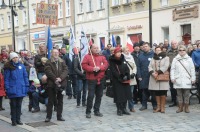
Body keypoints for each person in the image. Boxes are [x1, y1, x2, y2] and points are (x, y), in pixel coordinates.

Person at [81, 44, 108, 118]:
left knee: (99, 95)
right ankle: (88, 111)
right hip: (92, 79)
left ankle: (96, 110)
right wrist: (92, 69)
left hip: (101, 78)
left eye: (97, 48)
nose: (96, 49)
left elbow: (106, 64)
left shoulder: (102, 56)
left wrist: (99, 68)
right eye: (94, 48)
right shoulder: (87, 56)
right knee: (91, 96)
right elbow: (84, 65)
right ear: (91, 49)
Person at [4, 52, 29, 126]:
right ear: (11, 59)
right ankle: (13, 120)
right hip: (12, 89)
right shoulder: (9, 67)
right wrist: (7, 88)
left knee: (19, 105)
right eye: (14, 58)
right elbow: (7, 79)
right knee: (13, 105)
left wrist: (26, 85)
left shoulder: (22, 66)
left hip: (21, 88)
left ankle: (18, 119)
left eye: (16, 57)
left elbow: (25, 77)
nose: (15, 59)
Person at [44, 49, 68, 122]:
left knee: (60, 101)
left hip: (61, 83)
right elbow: (48, 72)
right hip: (52, 84)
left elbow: (66, 70)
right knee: (51, 101)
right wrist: (55, 79)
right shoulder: (48, 62)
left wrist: (60, 78)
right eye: (54, 52)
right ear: (51, 53)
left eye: (57, 52)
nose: (56, 54)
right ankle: (48, 117)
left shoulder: (62, 61)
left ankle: (59, 116)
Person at [170, 45, 196, 113]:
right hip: (178, 79)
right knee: (179, 95)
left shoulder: (189, 59)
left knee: (186, 94)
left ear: (185, 51)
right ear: (178, 51)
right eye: (180, 50)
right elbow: (172, 69)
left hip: (187, 78)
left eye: (183, 50)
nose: (181, 51)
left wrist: (193, 78)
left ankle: (186, 107)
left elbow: (192, 69)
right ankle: (180, 107)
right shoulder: (175, 59)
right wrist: (172, 77)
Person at [109, 47, 132, 116]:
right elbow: (113, 70)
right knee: (119, 95)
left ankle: (124, 109)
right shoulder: (112, 60)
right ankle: (119, 109)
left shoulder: (123, 58)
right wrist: (120, 77)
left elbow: (127, 68)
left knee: (125, 94)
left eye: (120, 52)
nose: (119, 54)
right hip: (117, 80)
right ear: (115, 53)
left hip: (125, 80)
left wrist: (127, 75)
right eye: (117, 52)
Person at [148, 46, 170, 113]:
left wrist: (158, 72)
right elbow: (149, 66)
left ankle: (163, 107)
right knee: (156, 93)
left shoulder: (166, 57)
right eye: (156, 50)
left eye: (159, 50)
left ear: (161, 50)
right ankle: (158, 107)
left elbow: (166, 66)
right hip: (155, 77)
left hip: (162, 76)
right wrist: (152, 73)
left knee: (163, 92)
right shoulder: (153, 58)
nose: (158, 51)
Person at [137, 42, 156, 111]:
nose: (145, 48)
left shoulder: (154, 55)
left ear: (149, 47)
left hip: (152, 76)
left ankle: (154, 105)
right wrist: (139, 75)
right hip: (143, 76)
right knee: (144, 92)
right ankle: (144, 105)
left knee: (153, 92)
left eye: (146, 46)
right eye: (144, 46)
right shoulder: (140, 55)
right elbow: (138, 66)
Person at [122, 47, 137, 112]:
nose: (127, 52)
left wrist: (134, 73)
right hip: (125, 77)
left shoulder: (131, 57)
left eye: (128, 50)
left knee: (131, 93)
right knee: (124, 93)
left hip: (132, 77)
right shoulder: (122, 58)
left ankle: (131, 107)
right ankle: (123, 107)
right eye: (126, 51)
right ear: (123, 51)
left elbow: (134, 66)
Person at [167, 40, 179, 107]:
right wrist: (170, 65)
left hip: (179, 71)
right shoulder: (168, 52)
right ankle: (174, 100)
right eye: (172, 44)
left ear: (177, 44)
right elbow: (166, 59)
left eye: (175, 43)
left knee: (179, 86)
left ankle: (180, 101)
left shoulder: (180, 50)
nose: (174, 45)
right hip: (171, 71)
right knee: (172, 87)